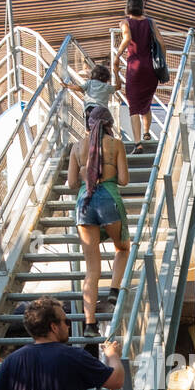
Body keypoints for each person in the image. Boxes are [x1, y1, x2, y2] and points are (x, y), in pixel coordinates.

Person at [68, 105, 130, 338]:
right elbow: (123, 180)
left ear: (89, 124)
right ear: (109, 124)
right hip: (108, 199)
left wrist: (86, 175)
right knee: (122, 248)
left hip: (84, 203)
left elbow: (71, 184)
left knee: (91, 269)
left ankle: (90, 325)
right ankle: (114, 290)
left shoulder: (76, 147)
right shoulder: (116, 145)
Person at [115, 0, 164, 150]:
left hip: (134, 67)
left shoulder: (125, 22)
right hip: (150, 69)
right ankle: (147, 132)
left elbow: (127, 38)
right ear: (141, 7)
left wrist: (117, 55)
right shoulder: (151, 22)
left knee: (134, 106)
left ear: (128, 7)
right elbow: (161, 43)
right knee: (146, 102)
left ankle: (138, 143)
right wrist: (162, 62)